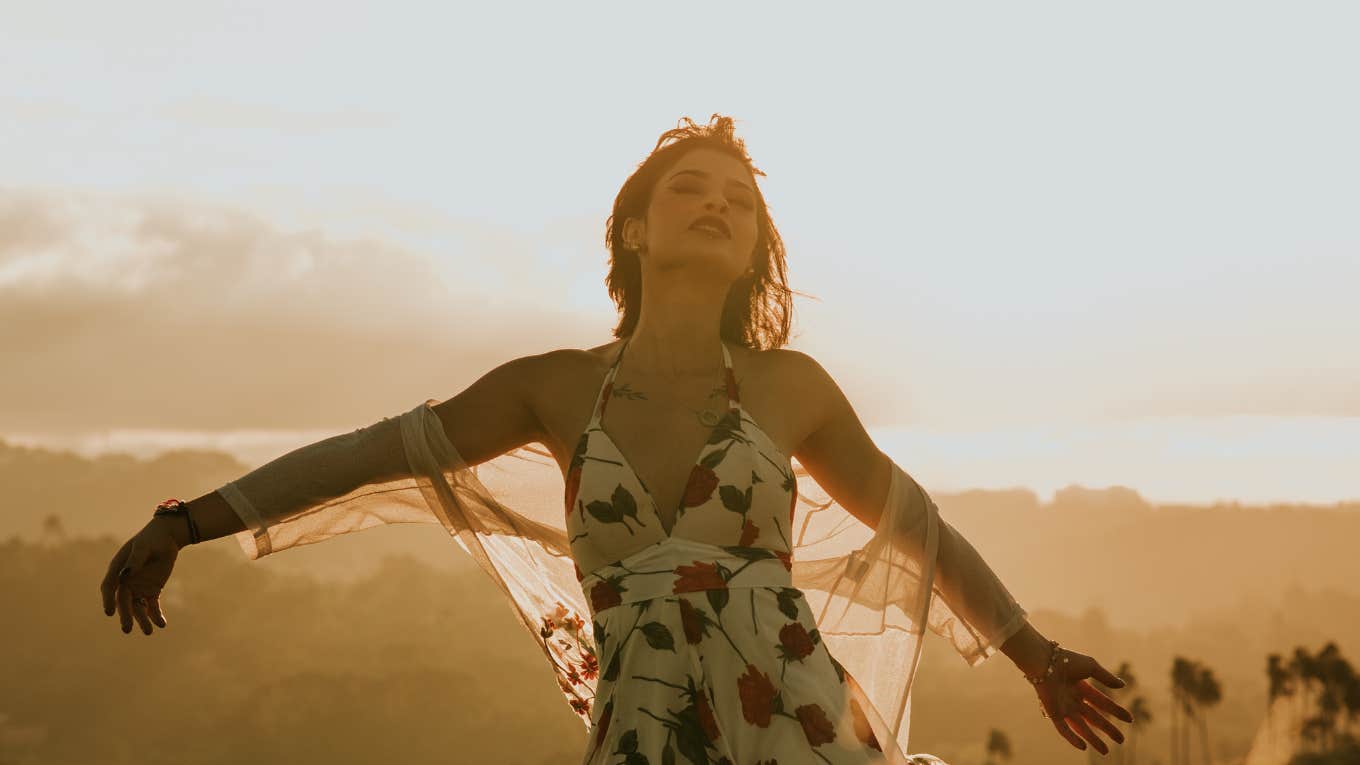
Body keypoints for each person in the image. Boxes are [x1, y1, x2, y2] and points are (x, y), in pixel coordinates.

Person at [99, 114, 1133, 764]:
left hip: (800, 724)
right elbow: (374, 452)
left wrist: (1034, 657)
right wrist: (187, 520)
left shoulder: (789, 389)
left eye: (739, 204)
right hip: (645, 728)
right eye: (690, 189)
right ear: (634, 231)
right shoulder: (552, 388)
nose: (716, 208)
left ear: (751, 256)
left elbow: (919, 530)